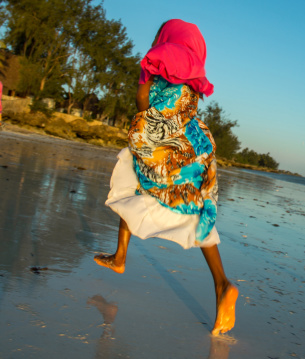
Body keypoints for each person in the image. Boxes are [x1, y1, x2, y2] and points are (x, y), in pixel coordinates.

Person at [93, 19, 238, 336]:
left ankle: (223, 284)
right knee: (195, 210)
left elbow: (144, 107)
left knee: (136, 183)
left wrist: (144, 79)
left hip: (165, 150)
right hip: (195, 146)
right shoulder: (192, 84)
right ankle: (220, 283)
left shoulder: (159, 71)